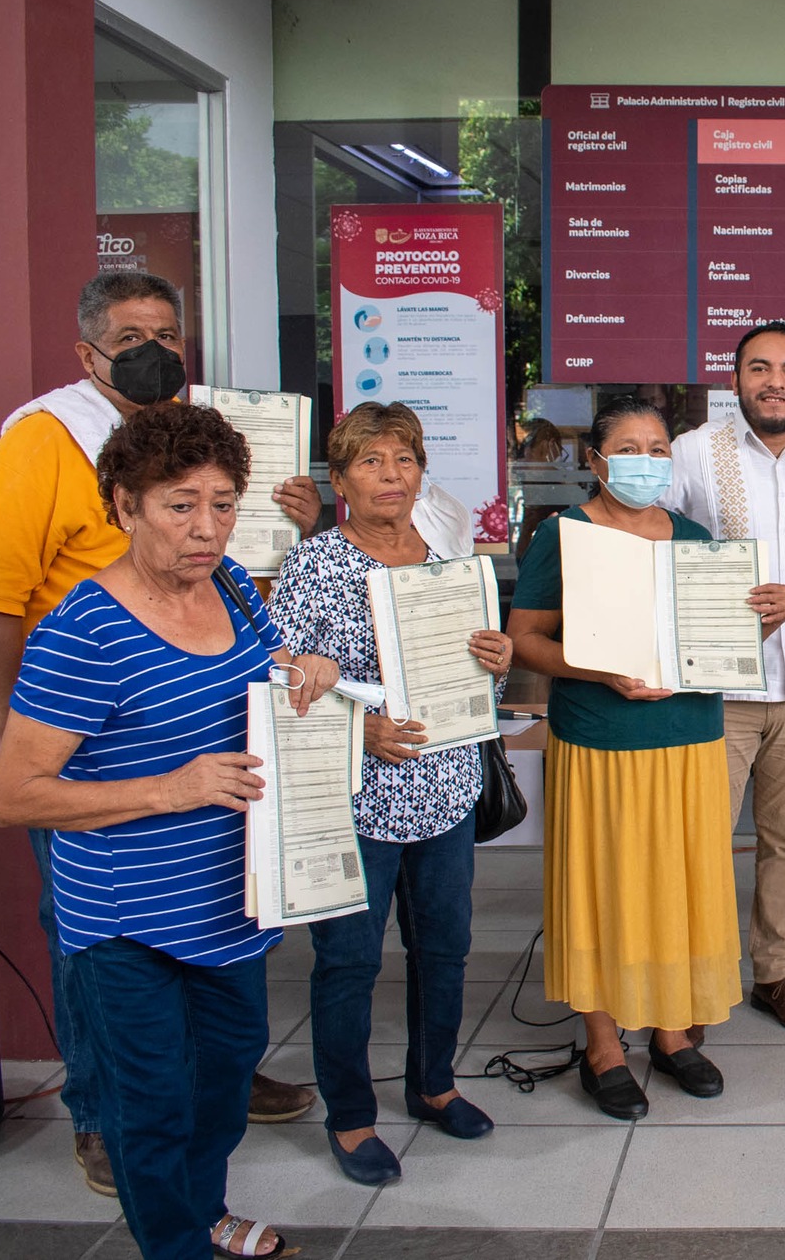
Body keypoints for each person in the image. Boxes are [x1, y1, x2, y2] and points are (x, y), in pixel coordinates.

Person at [0, 272, 320, 1194]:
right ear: (88, 353)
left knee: (208, 988)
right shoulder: (46, 440)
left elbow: (255, 616)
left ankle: (214, 1090)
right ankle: (100, 1117)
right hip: (95, 739)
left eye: (166, 331)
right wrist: (27, 736)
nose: (153, 348)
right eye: (129, 336)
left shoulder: (212, 501)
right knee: (113, 986)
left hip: (196, 752)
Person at [508, 397, 785, 1119]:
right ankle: (603, 1042)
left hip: (691, 738)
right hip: (602, 740)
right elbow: (524, 639)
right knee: (607, 886)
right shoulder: (564, 534)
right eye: (629, 447)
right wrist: (600, 669)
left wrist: (764, 618)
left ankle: (670, 1030)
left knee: (678, 886)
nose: (646, 460)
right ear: (596, 461)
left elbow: (719, 645)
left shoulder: (695, 537)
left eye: (659, 448)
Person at [268, 402, 513, 1184]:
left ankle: (434, 1084)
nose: (390, 474)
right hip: (358, 795)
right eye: (370, 461)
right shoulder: (315, 562)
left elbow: (474, 665)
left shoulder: (447, 551)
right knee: (348, 960)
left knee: (445, 948)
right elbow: (282, 677)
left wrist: (497, 656)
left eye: (403, 459)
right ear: (339, 479)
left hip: (445, 783)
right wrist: (356, 730)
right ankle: (350, 1116)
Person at [667, 321, 785, 1035]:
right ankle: (693, 980)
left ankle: (773, 974)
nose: (775, 381)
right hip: (718, 689)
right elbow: (663, 555)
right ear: (735, 377)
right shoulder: (693, 454)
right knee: (702, 842)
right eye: (759, 367)